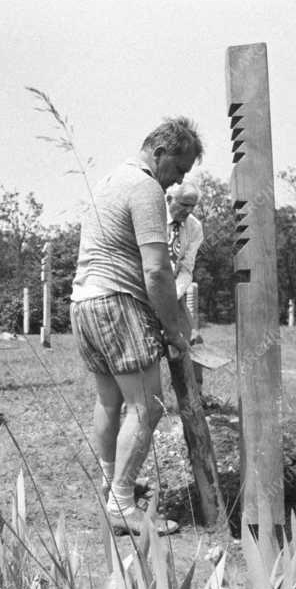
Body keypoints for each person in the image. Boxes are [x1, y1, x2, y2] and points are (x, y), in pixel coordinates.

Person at [70, 117, 201, 536]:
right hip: (116, 303)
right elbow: (158, 272)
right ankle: (122, 504)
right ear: (160, 152)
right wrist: (175, 329)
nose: (176, 182)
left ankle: (113, 487)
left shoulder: (112, 178)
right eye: (178, 170)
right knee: (150, 405)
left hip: (84, 302)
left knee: (111, 402)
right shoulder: (145, 188)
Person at [166, 181, 210, 400]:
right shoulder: (150, 217)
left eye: (193, 206)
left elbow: (186, 268)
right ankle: (134, 403)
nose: (189, 211)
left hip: (174, 292)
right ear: (169, 200)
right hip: (142, 290)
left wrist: (171, 297)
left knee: (192, 339)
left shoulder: (194, 227)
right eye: (184, 205)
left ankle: (195, 397)